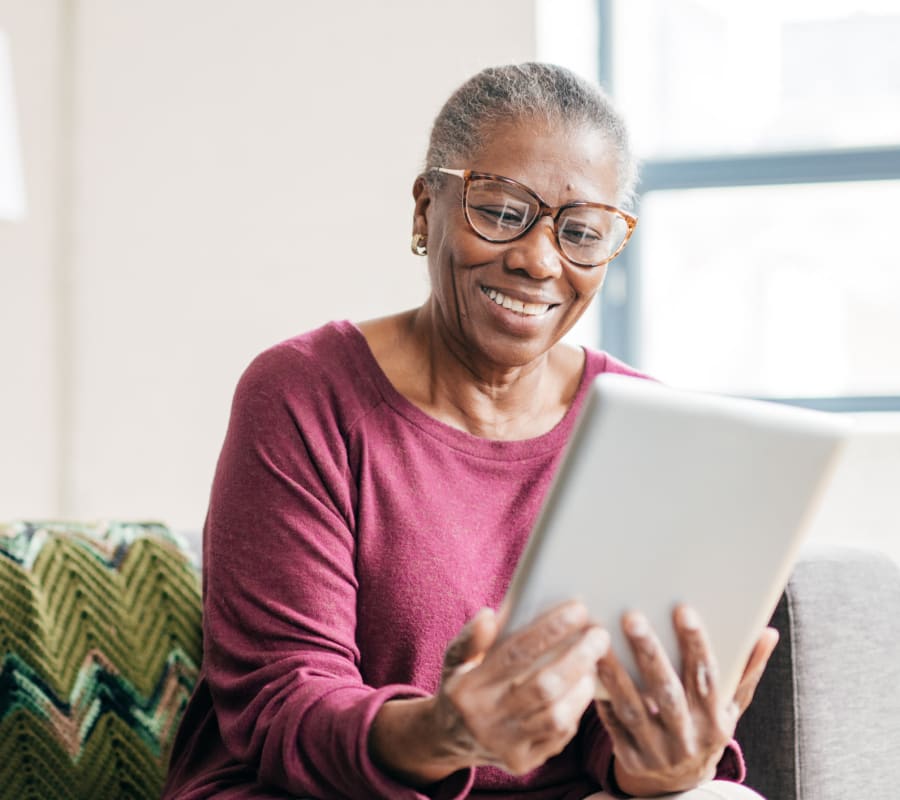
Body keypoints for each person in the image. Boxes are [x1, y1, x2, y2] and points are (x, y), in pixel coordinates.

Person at [162, 63, 777, 800]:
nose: (539, 260)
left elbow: (614, 732)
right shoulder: (303, 393)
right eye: (501, 210)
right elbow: (283, 706)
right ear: (427, 210)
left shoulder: (640, 424)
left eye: (581, 231)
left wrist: (664, 763)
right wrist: (447, 730)